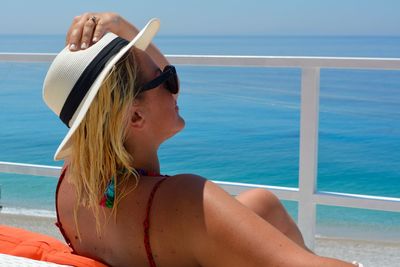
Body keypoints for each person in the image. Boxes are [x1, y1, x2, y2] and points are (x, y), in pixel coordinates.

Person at [43, 12, 362, 267]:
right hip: (166, 233)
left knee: (265, 203)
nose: (175, 85)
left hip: (144, 246)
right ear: (135, 117)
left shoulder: (72, 183)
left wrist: (122, 27)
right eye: (165, 80)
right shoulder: (187, 199)